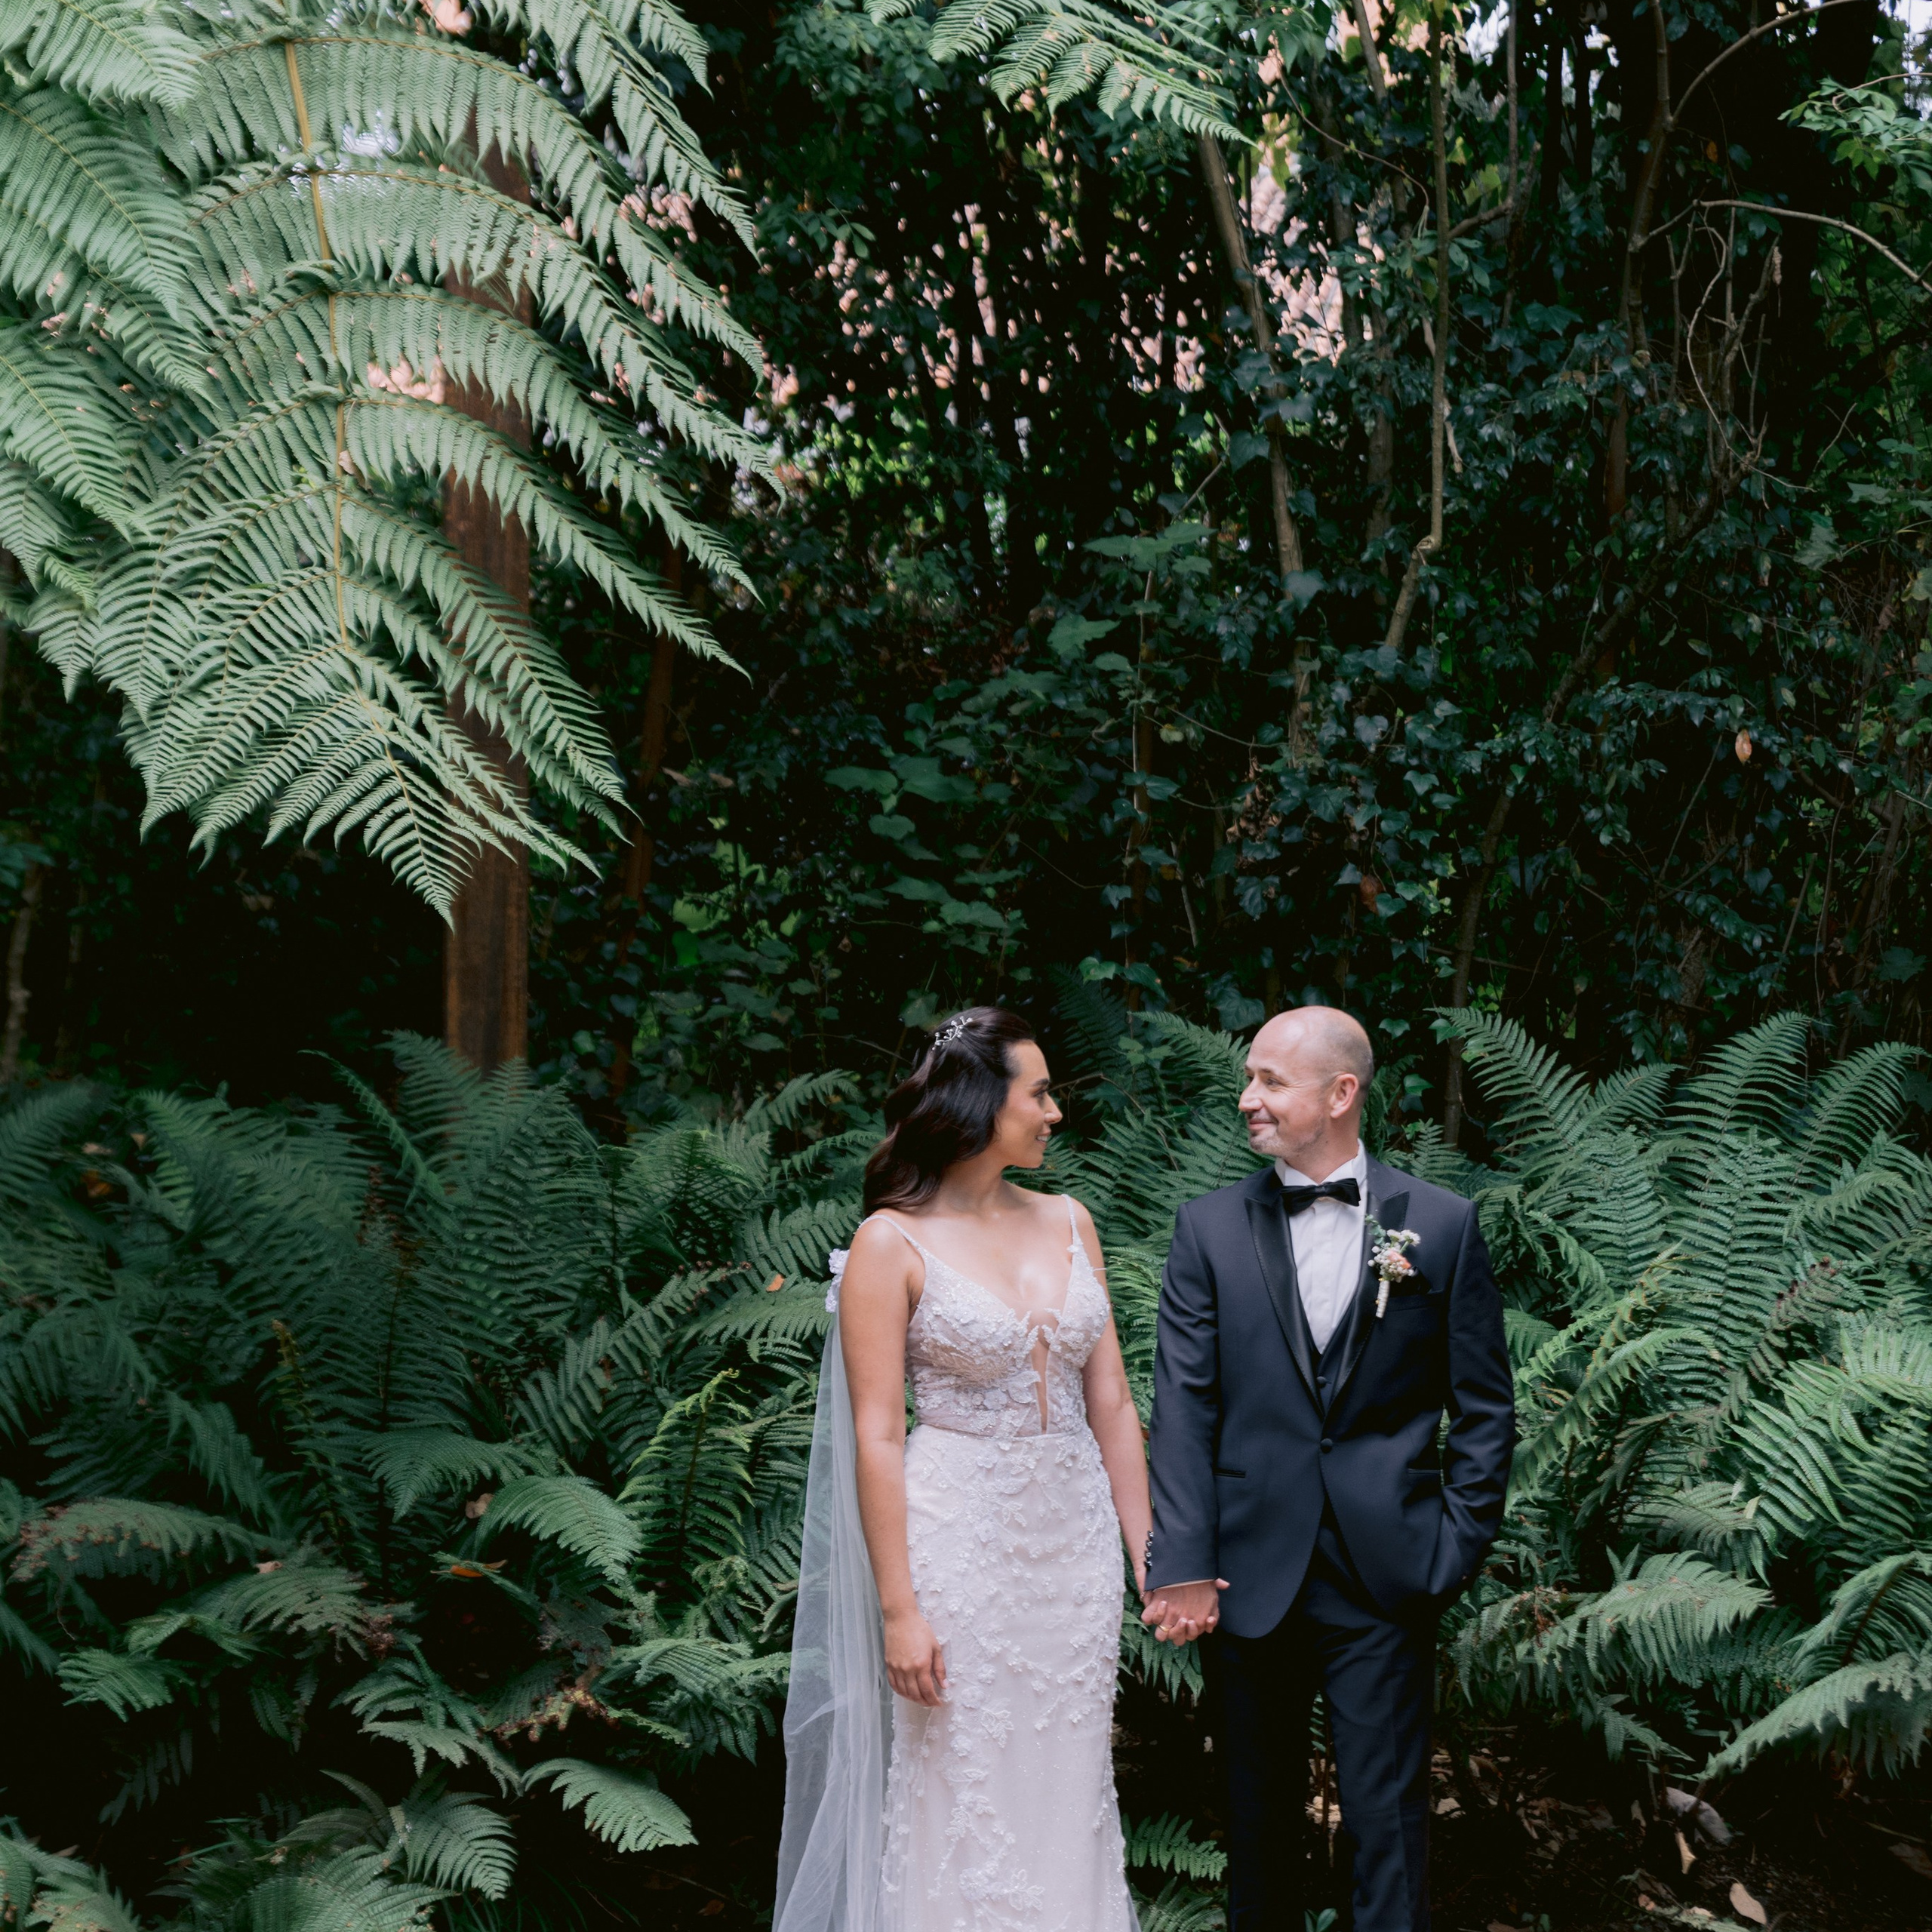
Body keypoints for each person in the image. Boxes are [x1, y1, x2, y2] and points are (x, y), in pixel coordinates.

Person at [774, 1007, 1149, 1932]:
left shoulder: (1070, 1219)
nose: (1055, 1112)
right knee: (962, 1780)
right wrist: (901, 1610)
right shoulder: (889, 1244)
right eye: (1041, 1093)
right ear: (983, 1103)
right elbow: (877, 1435)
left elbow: (1111, 1403)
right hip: (960, 1546)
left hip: (1073, 1554)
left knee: (1068, 1778)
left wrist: (1151, 1553)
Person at [1140, 1006, 1514, 1932]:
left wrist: (1450, 1547)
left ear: (1341, 1093)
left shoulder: (1439, 1225)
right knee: (1257, 1826)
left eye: (1269, 1080)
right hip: (1248, 1573)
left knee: (1389, 1828)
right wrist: (1181, 1560)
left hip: (1385, 1575)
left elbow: (1484, 1406)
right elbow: (1183, 1408)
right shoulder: (1208, 1230)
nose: (1247, 1098)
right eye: (1249, 1079)